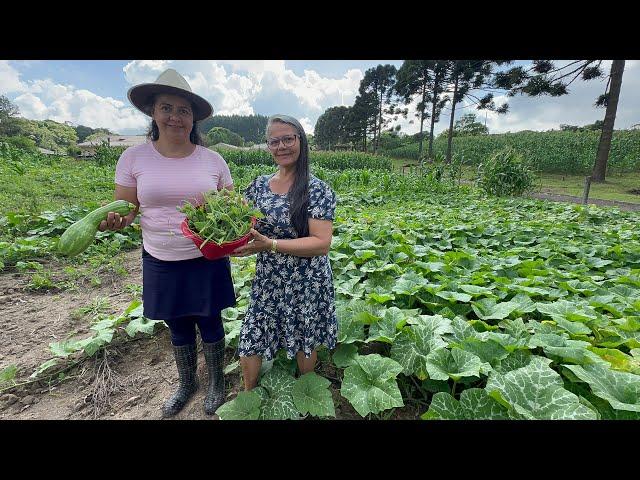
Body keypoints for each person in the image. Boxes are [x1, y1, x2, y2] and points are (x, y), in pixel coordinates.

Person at [99, 68, 236, 417]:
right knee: (176, 322)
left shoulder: (213, 161)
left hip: (206, 256)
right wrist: (117, 221)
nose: (176, 116)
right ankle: (187, 382)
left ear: (193, 118)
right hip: (160, 256)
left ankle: (216, 381)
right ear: (153, 112)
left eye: (183, 110)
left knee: (210, 320)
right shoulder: (133, 158)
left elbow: (233, 208)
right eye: (167, 108)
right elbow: (127, 210)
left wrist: (231, 219)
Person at [231, 114, 337, 390]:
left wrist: (271, 245)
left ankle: (305, 391)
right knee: (252, 333)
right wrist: (230, 243)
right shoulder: (258, 186)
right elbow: (240, 222)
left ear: (300, 140)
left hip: (307, 279)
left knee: (305, 337)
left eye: (288, 139)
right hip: (269, 279)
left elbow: (321, 243)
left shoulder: (317, 190)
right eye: (274, 141)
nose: (282, 146)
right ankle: (249, 396)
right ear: (268, 146)